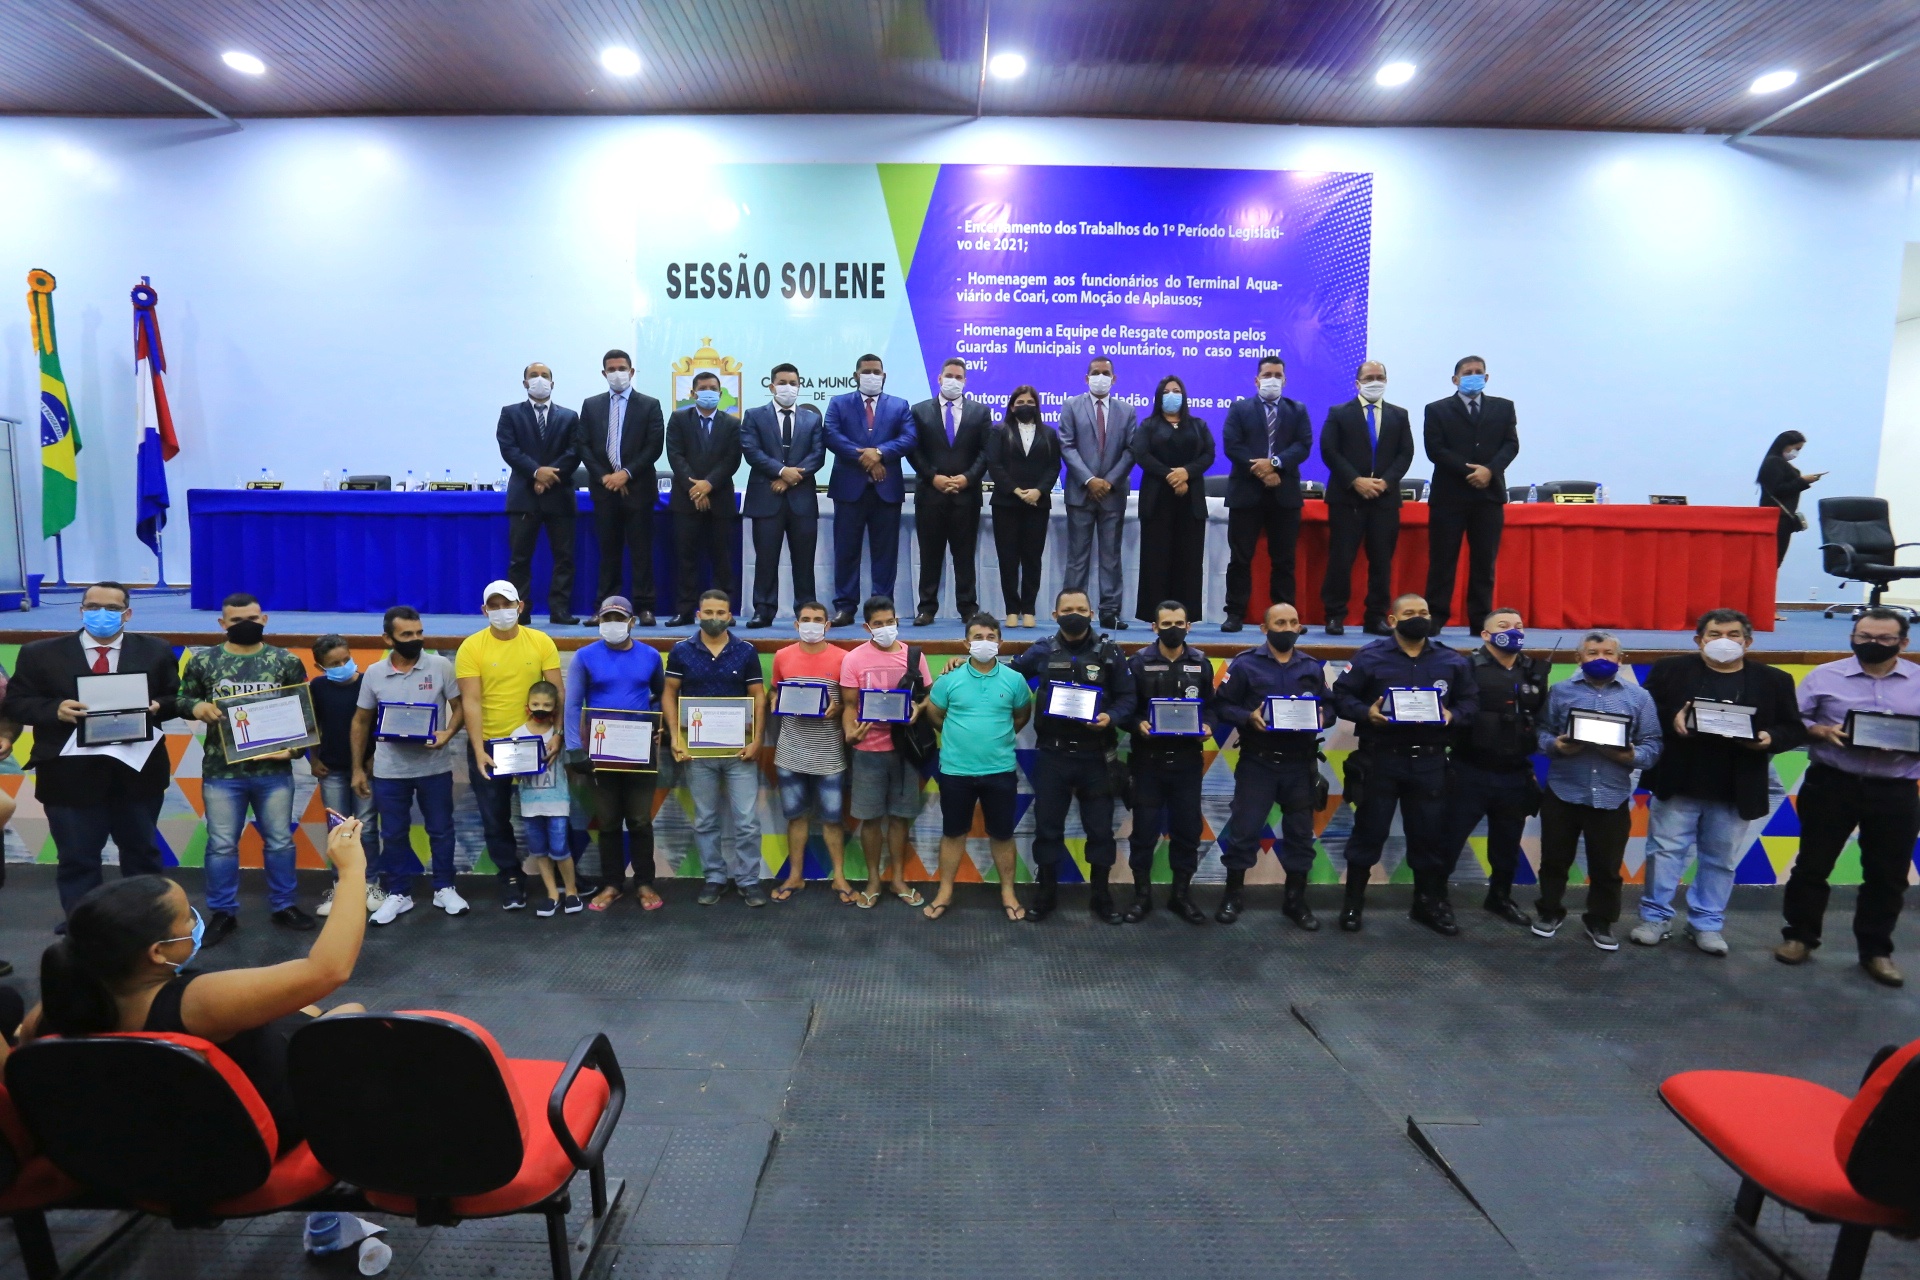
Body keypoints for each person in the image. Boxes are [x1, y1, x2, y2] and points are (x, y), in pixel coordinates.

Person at [27, 821, 370, 1150]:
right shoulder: (197, 1003)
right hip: (250, 1135)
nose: (195, 920)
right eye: (187, 917)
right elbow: (327, 970)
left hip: (154, 1131)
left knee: (304, 1008)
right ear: (157, 952)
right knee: (351, 1015)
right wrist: (352, 871)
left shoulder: (61, 1002)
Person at [3, 583, 178, 923]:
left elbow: (174, 698)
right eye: (93, 606)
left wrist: (158, 706)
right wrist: (55, 709)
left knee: (142, 856)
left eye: (112, 609)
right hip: (68, 776)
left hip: (137, 773)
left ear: (127, 614)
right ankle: (82, 929)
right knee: (77, 859)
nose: (101, 614)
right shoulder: (40, 653)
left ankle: (146, 926)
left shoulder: (155, 650)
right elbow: (17, 704)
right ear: (81, 610)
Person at [1634, 608, 1805, 956]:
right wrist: (1672, 720)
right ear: (1699, 639)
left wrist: (1770, 738)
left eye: (1733, 635)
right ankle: (1655, 918)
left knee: (1720, 859)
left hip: (1736, 786)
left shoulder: (1774, 679)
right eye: (1714, 634)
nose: (1723, 641)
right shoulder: (1669, 670)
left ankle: (1706, 923)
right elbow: (1643, 714)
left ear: (1747, 642)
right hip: (1679, 780)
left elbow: (1793, 728)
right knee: (1664, 853)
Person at [1779, 607, 1919, 986]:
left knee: (1888, 875)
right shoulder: (1823, 676)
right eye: (1865, 637)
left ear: (1903, 642)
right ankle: (1799, 937)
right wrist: (1821, 731)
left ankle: (1876, 951)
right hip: (1831, 784)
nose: (1873, 644)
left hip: (1895, 790)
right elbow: (1793, 722)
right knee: (1812, 865)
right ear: (1852, 637)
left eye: (1884, 638)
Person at [1330, 593, 1477, 932]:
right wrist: (1365, 713)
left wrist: (1453, 715)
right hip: (1381, 760)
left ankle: (1426, 905)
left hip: (1430, 762)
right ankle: (1353, 905)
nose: (1419, 617)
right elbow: (1341, 696)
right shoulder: (1369, 657)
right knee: (1368, 834)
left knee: (1429, 837)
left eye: (1424, 612)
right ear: (1392, 620)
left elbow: (1471, 702)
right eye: (1410, 612)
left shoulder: (1452, 661)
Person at [181, 593, 315, 946]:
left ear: (264, 620)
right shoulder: (204, 661)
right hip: (221, 771)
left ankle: (284, 905)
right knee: (222, 845)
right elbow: (181, 698)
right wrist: (195, 708)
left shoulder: (285, 661)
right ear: (222, 623)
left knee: (280, 840)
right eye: (237, 620)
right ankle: (222, 912)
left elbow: (302, 712)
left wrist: (294, 750)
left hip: (273, 772)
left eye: (252, 618)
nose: (246, 625)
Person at [1011, 589, 1137, 923]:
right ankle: (1045, 894)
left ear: (1092, 614)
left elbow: (1128, 698)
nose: (1075, 614)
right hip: (1053, 756)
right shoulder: (1042, 649)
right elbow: (1008, 673)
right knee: (1047, 829)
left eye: (1081, 608)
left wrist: (1111, 716)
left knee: (1100, 831)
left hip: (1096, 757)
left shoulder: (1110, 652)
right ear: (1055, 615)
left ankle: (1101, 896)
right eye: (1067, 609)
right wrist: (963, 664)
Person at [1533, 631, 1662, 950]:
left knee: (1606, 867)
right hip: (1563, 791)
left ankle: (1600, 921)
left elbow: (1652, 743)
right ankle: (1549, 912)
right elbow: (1542, 731)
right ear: (1578, 658)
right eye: (1592, 653)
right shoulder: (1560, 692)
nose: (1601, 658)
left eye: (1608, 653)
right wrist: (1556, 746)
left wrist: (1631, 756)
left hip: (1611, 794)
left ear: (1620, 658)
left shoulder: (1639, 697)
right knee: (1554, 861)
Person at [1213, 602, 1330, 928]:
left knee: (1300, 835)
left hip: (1299, 766)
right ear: (1264, 629)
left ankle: (1296, 901)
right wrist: (1247, 717)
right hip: (1258, 763)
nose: (1288, 628)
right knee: (1244, 831)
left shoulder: (1311, 667)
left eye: (1293, 622)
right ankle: (1232, 896)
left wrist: (1324, 716)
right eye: (1280, 623)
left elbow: (1331, 707)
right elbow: (1222, 706)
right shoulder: (1245, 665)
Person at [351, 606, 466, 924]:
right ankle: (398, 894)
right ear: (388, 639)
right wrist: (358, 769)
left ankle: (444, 888)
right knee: (393, 833)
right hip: (389, 772)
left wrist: (448, 733)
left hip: (435, 768)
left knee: (441, 830)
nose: (416, 639)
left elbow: (459, 707)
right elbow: (360, 721)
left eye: (419, 633)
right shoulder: (374, 673)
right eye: (407, 634)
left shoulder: (441, 665)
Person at [455, 580, 564, 911]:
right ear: (484, 610)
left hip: (539, 744)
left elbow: (557, 692)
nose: (501, 611)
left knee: (553, 811)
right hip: (492, 746)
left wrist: (558, 734)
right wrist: (478, 749)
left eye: (507, 604)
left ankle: (565, 876)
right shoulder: (471, 648)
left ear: (520, 606)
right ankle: (511, 877)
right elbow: (471, 701)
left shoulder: (541, 641)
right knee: (495, 818)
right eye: (494, 605)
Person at [1437, 608, 1548, 929]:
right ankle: (1434, 899)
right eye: (1503, 626)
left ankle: (1500, 897)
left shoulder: (1534, 671)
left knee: (1507, 845)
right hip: (1469, 770)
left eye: (1518, 626)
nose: (1513, 631)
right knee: (1448, 841)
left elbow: (1541, 719)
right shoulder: (1465, 668)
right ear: (1485, 635)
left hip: (1515, 773)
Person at [924, 615, 1032, 922]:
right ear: (966, 643)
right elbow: (934, 715)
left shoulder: (1014, 680)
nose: (984, 642)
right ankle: (945, 891)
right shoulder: (949, 679)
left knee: (1002, 834)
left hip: (1000, 770)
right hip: (955, 771)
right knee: (953, 833)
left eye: (990, 637)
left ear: (1000, 642)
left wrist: (996, 739)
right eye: (977, 637)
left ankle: (1008, 892)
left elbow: (1022, 716)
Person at [664, 590, 768, 906]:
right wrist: (675, 737)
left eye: (720, 613)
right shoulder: (681, 651)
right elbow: (669, 694)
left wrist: (757, 739)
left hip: (740, 752)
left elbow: (758, 696)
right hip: (697, 753)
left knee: (746, 821)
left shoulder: (745, 651)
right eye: (708, 612)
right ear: (698, 615)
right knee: (706, 819)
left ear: (730, 616)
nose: (714, 618)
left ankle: (749, 880)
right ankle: (714, 877)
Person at [564, 596, 665, 913]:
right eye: (606, 618)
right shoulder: (584, 657)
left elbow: (661, 695)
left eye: (619, 618)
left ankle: (644, 883)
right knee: (607, 821)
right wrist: (574, 748)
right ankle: (612, 884)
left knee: (639, 820)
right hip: (600, 752)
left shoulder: (650, 656)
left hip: (640, 751)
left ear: (632, 622)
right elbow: (572, 705)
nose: (612, 624)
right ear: (599, 621)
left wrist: (657, 723)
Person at [1123, 601, 1217, 924]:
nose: (1173, 629)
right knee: (1144, 832)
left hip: (1187, 763)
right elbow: (1126, 708)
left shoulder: (1201, 663)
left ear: (1188, 626)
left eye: (1179, 623)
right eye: (1166, 624)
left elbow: (1212, 707)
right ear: (1154, 627)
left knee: (1187, 831)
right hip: (1148, 762)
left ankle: (1181, 896)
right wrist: (1137, 724)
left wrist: (1209, 726)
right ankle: (1141, 897)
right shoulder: (1138, 663)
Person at [838, 596, 934, 905]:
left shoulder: (914, 656)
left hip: (906, 749)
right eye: (878, 624)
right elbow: (849, 705)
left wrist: (919, 709)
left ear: (897, 621)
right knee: (870, 819)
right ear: (867, 627)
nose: (885, 628)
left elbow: (927, 697)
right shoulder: (853, 659)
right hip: (868, 750)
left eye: (889, 622)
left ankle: (898, 880)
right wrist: (850, 732)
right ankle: (873, 880)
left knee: (900, 818)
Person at [1422, 356, 1518, 633]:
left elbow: (1511, 445)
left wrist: (1489, 470)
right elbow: (1435, 449)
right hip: (1449, 496)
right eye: (1467, 373)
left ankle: (1481, 620)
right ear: (1455, 379)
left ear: (1486, 378)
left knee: (1484, 563)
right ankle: (1436, 617)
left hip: (1489, 496)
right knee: (1442, 561)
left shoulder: (1503, 408)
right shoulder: (1437, 409)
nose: (1473, 376)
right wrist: (1471, 471)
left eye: (1478, 372)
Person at [1321, 361, 1414, 636]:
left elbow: (1405, 454)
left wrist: (1386, 482)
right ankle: (1335, 615)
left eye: (1380, 377)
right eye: (1369, 377)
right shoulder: (1339, 413)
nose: (1375, 381)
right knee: (1341, 560)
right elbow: (1329, 451)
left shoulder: (1399, 415)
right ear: (1357, 383)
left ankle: (1376, 617)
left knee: (1382, 562)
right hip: (1347, 498)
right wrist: (1355, 480)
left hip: (1385, 499)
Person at [1221, 356, 1313, 632]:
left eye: (1277, 375)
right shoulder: (1239, 409)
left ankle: (1285, 619)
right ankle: (1235, 614)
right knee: (1240, 558)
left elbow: (1303, 445)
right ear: (1256, 380)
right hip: (1246, 493)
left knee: (1284, 561)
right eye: (1267, 375)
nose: (1272, 379)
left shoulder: (1297, 410)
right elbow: (1232, 445)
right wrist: (1262, 470)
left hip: (1284, 494)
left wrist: (1275, 463)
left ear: (1285, 380)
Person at [768, 603, 852, 904]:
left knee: (832, 820)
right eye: (806, 619)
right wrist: (774, 699)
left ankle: (839, 877)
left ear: (827, 625)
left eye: (818, 620)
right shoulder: (782, 656)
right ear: (796, 624)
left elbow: (849, 702)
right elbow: (774, 691)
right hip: (790, 753)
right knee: (796, 817)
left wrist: (838, 707)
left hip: (829, 754)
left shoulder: (843, 658)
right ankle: (795, 876)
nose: (812, 624)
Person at [823, 354, 913, 628]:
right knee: (846, 551)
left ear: (884, 376)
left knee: (885, 554)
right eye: (866, 371)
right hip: (849, 489)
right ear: (856, 375)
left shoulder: (899, 405)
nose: (872, 376)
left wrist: (880, 452)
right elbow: (831, 435)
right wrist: (866, 457)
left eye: (876, 372)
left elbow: (909, 437)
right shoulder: (838, 403)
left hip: (886, 490)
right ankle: (845, 607)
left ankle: (881, 609)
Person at [576, 349, 664, 625]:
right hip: (604, 491)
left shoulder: (649, 405)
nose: (617, 374)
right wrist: (606, 476)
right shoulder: (591, 405)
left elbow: (654, 446)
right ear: (604, 373)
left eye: (622, 368)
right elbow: (583, 445)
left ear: (631, 371)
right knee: (608, 553)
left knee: (641, 552)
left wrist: (626, 473)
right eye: (612, 369)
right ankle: (605, 608)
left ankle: (645, 607)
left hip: (638, 489)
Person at [496, 361, 582, 626]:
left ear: (553, 383)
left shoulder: (569, 416)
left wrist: (548, 477)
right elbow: (509, 449)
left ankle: (560, 610)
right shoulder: (510, 413)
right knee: (519, 559)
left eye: (545, 375)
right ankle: (520, 610)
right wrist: (536, 473)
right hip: (524, 496)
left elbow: (574, 452)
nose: (540, 379)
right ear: (525, 383)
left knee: (564, 558)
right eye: (534, 375)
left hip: (559, 495)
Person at [740, 363, 825, 628]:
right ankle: (763, 610)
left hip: (802, 500)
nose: (789, 387)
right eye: (783, 383)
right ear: (772, 386)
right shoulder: (754, 415)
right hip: (766, 498)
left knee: (804, 561)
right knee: (766, 559)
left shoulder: (812, 419)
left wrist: (790, 477)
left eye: (793, 383)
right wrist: (780, 471)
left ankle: (807, 612)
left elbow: (817, 455)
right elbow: (751, 451)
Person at [908, 357, 991, 627]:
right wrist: (933, 477)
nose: (953, 381)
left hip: (966, 496)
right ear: (939, 378)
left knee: (964, 556)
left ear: (965, 381)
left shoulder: (980, 412)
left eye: (958, 377)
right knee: (929, 555)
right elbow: (913, 450)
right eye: (949, 376)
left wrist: (967, 478)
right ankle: (926, 608)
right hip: (930, 494)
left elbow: (986, 452)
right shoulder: (919, 411)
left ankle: (968, 608)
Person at [1058, 357, 1139, 630]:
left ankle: (1109, 611)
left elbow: (1131, 450)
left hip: (1112, 494)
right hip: (1080, 492)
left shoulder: (1127, 411)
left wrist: (1108, 482)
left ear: (1114, 379)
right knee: (1077, 557)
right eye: (1095, 372)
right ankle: (1072, 610)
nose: (1100, 377)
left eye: (1105, 373)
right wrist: (1090, 480)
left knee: (1111, 557)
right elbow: (1067, 446)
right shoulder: (1071, 406)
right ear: (1086, 378)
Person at [308, 635, 383, 920]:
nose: (343, 666)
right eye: (334, 664)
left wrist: (372, 759)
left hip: (367, 769)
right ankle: (341, 887)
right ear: (320, 667)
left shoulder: (368, 683)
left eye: (346, 660)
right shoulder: (317, 687)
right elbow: (312, 724)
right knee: (338, 831)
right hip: (331, 770)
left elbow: (379, 724)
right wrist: (314, 758)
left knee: (368, 828)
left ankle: (370, 886)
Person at [1132, 375, 1216, 625]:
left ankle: (1184, 617)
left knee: (1188, 560)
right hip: (1157, 499)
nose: (1172, 395)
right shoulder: (1148, 425)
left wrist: (1186, 473)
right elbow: (1141, 454)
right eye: (1167, 391)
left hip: (1191, 500)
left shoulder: (1198, 425)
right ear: (1159, 397)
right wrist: (1171, 475)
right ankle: (1155, 616)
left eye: (1176, 390)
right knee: (1156, 559)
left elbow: (1209, 454)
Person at [665, 370, 744, 627]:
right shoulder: (678, 419)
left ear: (720, 394)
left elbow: (732, 459)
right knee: (685, 558)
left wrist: (708, 484)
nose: (708, 392)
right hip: (686, 500)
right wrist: (696, 488)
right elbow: (675, 455)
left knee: (722, 560)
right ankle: (685, 610)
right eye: (703, 388)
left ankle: (722, 613)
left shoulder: (732, 423)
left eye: (713, 388)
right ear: (692, 393)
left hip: (719, 500)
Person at [984, 385, 1060, 630]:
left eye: (1030, 402)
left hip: (1037, 503)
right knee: (1008, 558)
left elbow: (1054, 467)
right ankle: (1011, 609)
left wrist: (1039, 490)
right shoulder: (999, 431)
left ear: (1037, 406)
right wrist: (1016, 490)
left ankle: (1029, 609)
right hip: (1006, 503)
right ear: (1011, 406)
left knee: (1032, 558)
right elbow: (994, 464)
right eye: (1020, 402)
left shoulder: (1049, 433)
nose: (1025, 406)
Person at [510, 681, 578, 917]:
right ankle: (552, 894)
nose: (541, 709)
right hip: (530, 805)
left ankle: (572, 891)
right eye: (536, 704)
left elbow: (571, 765)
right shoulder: (517, 735)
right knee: (539, 850)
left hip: (558, 803)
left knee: (560, 849)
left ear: (555, 709)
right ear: (527, 706)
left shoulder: (560, 736)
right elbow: (514, 771)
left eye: (547, 705)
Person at [1756, 430, 1824, 572]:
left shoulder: (1778, 462)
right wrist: (1803, 481)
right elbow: (1777, 489)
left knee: (1774, 560)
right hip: (1776, 518)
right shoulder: (1774, 462)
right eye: (1796, 448)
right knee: (1772, 560)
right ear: (1786, 444)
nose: (1796, 453)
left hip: (1780, 518)